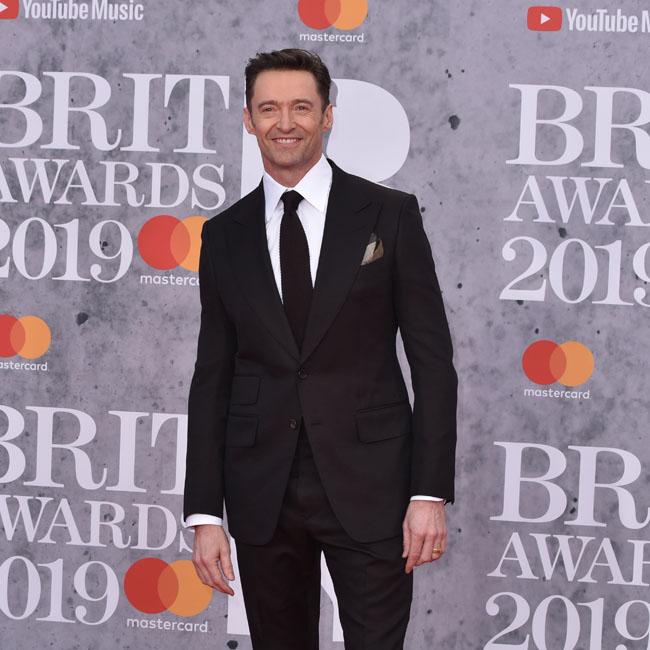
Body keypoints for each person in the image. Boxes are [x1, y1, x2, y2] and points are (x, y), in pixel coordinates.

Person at [183, 48, 457, 650]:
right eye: (269, 108)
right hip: (262, 491)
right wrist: (204, 513)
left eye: (301, 107)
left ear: (327, 115)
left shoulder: (390, 215)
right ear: (248, 120)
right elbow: (212, 376)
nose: (286, 123)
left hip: (374, 487)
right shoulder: (223, 235)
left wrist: (428, 493)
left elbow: (434, 365)